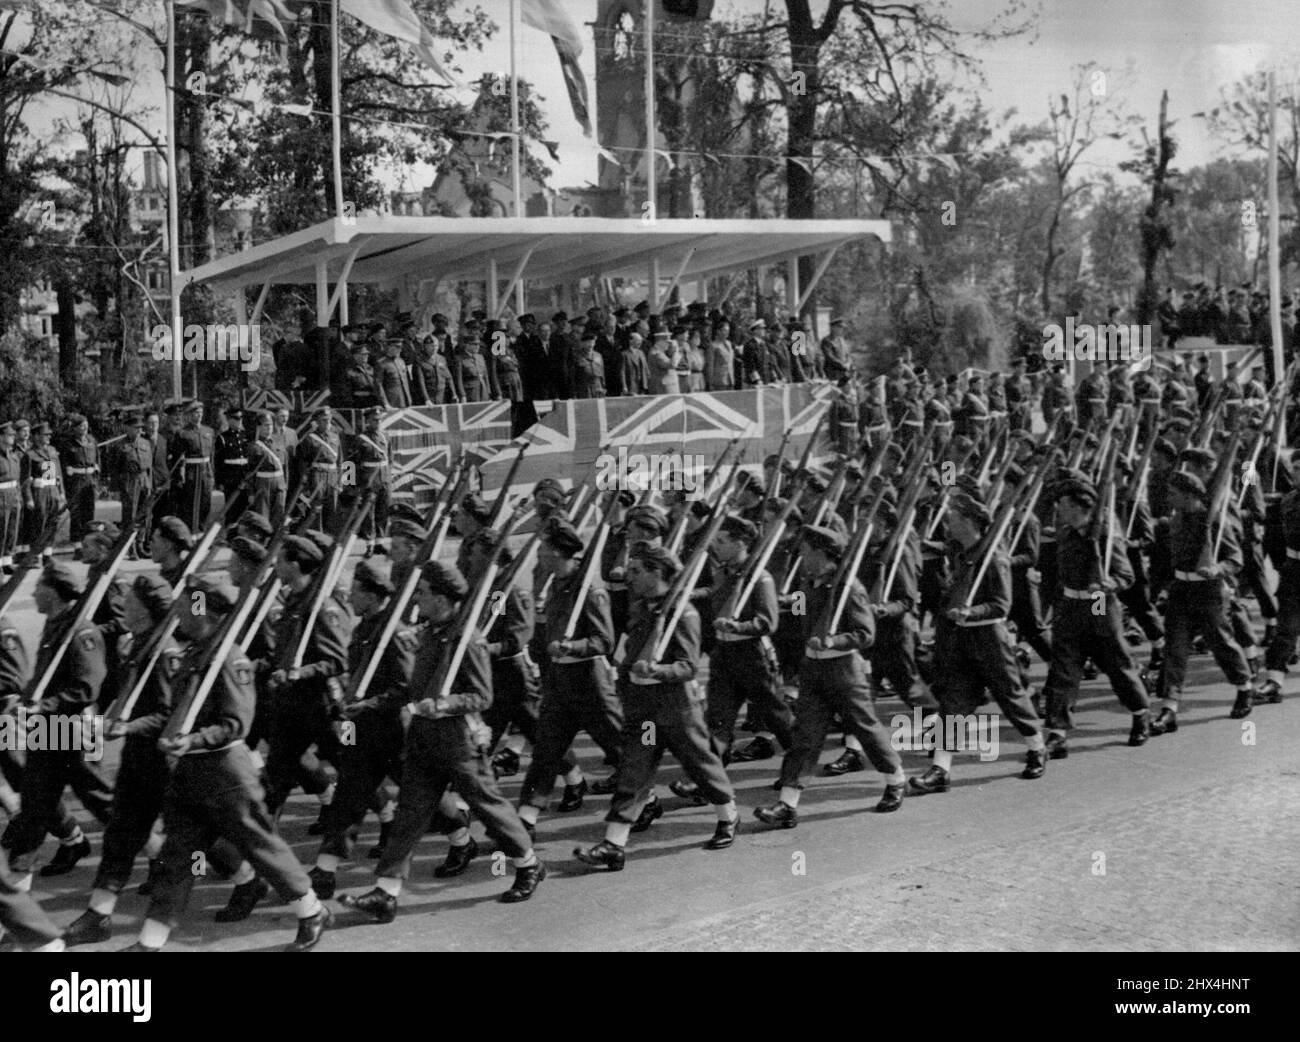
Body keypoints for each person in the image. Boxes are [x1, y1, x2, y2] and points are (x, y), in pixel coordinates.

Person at [125, 574, 330, 952]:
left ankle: (311, 910)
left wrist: (193, 739)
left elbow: (236, 723)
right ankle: (150, 942)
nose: (177, 613)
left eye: (184, 604)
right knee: (178, 859)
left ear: (201, 608)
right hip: (189, 773)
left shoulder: (228, 658)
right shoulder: (196, 655)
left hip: (225, 773)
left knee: (260, 846)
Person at [340, 561, 546, 919]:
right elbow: (410, 688)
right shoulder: (430, 634)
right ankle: (386, 892)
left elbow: (483, 696)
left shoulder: (468, 638)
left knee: (488, 807)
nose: (416, 599)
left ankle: (528, 864)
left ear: (440, 598)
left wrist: (445, 704)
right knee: (409, 816)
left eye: (422, 593)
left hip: (458, 741)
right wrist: (370, 705)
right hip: (422, 739)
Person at [574, 543, 739, 871]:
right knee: (634, 771)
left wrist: (657, 671)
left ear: (656, 572)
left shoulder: (683, 613)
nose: (628, 577)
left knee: (700, 765)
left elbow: (688, 666)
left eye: (636, 571)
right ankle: (613, 844)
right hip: (644, 711)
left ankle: (729, 816)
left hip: (676, 708)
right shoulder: (644, 609)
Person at [753, 525, 907, 828]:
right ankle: (787, 804)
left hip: (843, 670)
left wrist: (833, 641)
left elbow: (865, 634)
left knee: (865, 728)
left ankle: (896, 779)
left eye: (806, 552)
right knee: (805, 737)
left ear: (822, 554)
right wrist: (785, 604)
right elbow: (800, 611)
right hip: (813, 669)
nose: (801, 557)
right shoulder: (809, 583)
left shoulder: (849, 587)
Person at [907, 493, 1048, 794]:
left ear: (969, 522)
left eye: (954, 518)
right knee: (954, 702)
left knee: (1009, 695)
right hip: (962, 638)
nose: (948, 523)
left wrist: (972, 611)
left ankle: (1037, 747)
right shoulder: (964, 555)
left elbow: (1001, 605)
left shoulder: (994, 558)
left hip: (989, 638)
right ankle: (940, 770)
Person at [0, 562, 111, 880]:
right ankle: (18, 889)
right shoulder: (55, 625)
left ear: (52, 592)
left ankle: (160, 855)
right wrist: (29, 705)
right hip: (48, 728)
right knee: (35, 802)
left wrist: (41, 706)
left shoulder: (81, 631)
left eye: (38, 588)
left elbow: (87, 688)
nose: (32, 593)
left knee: (101, 802)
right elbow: (39, 680)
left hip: (76, 729)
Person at [517, 521, 623, 834]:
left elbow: (605, 641)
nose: (539, 554)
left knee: (617, 747)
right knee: (546, 752)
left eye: (543, 549)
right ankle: (527, 816)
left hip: (590, 683)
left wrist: (572, 646)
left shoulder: (588, 590)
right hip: (559, 683)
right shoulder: (555, 583)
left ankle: (646, 800)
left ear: (557, 553)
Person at [1038, 478, 1151, 759]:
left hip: (1098, 603)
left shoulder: (1105, 536)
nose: (1058, 509)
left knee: (1115, 663)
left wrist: (1106, 585)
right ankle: (1057, 735)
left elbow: (1126, 576)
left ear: (1078, 507)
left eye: (1063, 504)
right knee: (1063, 670)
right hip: (1070, 606)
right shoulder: (1066, 533)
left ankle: (1140, 714)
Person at [168, 399, 214, 533]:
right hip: (191, 473)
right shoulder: (182, 433)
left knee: (206, 505)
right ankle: (192, 535)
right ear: (189, 415)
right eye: (195, 413)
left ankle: (201, 533)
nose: (199, 415)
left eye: (200, 412)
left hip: (206, 472)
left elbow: (212, 456)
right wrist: (179, 478)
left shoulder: (209, 431)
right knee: (191, 506)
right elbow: (177, 459)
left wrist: (212, 476)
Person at [58, 413, 99, 559]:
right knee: (76, 515)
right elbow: (62, 466)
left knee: (89, 514)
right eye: (81, 426)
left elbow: (97, 461)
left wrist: (97, 481)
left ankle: (88, 544)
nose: (85, 429)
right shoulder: (67, 444)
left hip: (89, 481)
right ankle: (77, 547)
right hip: (74, 483)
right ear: (74, 428)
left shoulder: (92, 441)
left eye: (86, 426)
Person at [296, 408, 342, 534]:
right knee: (316, 508)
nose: (327, 423)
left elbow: (340, 461)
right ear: (317, 421)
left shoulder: (335, 437)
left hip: (332, 476)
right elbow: (303, 462)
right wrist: (305, 482)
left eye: (329, 420)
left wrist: (341, 482)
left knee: (332, 508)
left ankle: (329, 537)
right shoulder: (310, 439)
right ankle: (316, 536)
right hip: (317, 475)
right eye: (324, 420)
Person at [0, 423, 22, 573]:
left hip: (13, 494)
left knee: (11, 530)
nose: (13, 437)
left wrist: (19, 497)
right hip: (1, 496)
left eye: (14, 435)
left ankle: (7, 561)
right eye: (10, 435)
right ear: (1, 437)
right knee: (1, 529)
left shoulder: (14, 456)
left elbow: (18, 479)